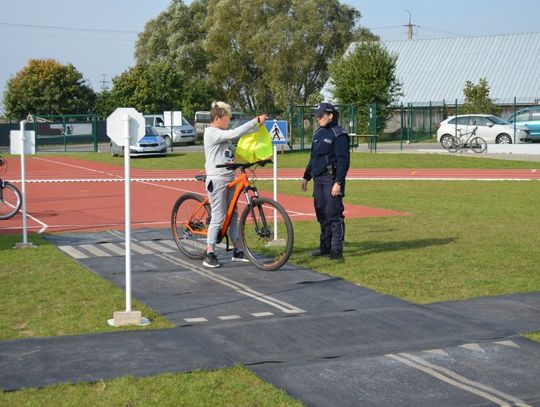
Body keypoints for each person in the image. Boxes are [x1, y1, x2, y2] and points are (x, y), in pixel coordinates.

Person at [203, 101, 267, 268]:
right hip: (217, 180)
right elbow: (234, 133)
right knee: (219, 216)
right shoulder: (211, 133)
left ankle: (237, 250)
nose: (229, 121)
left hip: (229, 178)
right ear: (217, 119)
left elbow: (238, 148)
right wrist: (254, 121)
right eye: (227, 118)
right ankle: (209, 252)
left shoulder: (223, 135)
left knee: (233, 216)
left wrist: (259, 157)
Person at [301, 102, 350, 260]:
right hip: (318, 179)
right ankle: (324, 246)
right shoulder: (318, 134)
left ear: (330, 115)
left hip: (331, 179)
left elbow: (343, 160)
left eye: (321, 116)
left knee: (333, 214)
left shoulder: (339, 134)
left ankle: (336, 250)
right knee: (321, 214)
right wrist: (306, 176)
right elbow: (314, 158)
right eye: (317, 116)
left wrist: (339, 182)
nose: (318, 119)